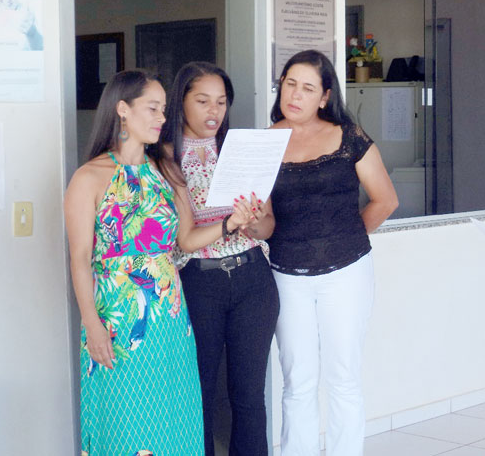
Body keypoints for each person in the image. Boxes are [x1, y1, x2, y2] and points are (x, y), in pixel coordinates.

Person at [64, 70, 203, 455]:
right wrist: (92, 325)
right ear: (123, 109)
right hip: (118, 319)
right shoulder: (89, 178)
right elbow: (80, 259)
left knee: (174, 418)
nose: (162, 118)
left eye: (164, 109)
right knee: (124, 424)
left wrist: (231, 224)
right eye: (152, 108)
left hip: (170, 318)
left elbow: (186, 240)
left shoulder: (165, 171)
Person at [268, 49, 398, 456]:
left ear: (324, 97)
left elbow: (385, 200)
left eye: (308, 88)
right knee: (297, 381)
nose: (296, 94)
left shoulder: (348, 136)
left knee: (343, 378)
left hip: (346, 273)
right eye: (290, 84)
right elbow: (264, 219)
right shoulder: (263, 142)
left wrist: (343, 235)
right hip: (286, 274)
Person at [159, 61, 279, 456]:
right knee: (200, 393)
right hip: (199, 282)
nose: (214, 111)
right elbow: (186, 239)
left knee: (249, 395)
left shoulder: (242, 152)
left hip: (253, 278)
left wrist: (254, 221)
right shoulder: (166, 158)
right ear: (181, 101)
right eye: (203, 101)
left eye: (221, 102)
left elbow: (267, 228)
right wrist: (230, 223)